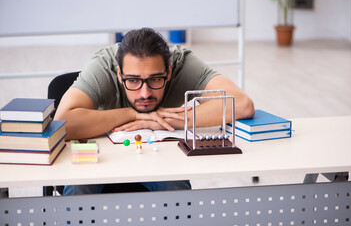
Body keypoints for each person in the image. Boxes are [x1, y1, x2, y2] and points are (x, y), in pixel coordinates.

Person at [55, 28, 255, 195]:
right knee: (79, 186)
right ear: (119, 73)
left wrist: (173, 120)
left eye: (155, 80)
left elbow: (242, 103)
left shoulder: (182, 62)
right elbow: (63, 122)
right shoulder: (104, 64)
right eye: (133, 80)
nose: (144, 93)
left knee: (175, 187)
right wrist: (133, 115)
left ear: (168, 72)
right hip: (103, 155)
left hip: (158, 155)